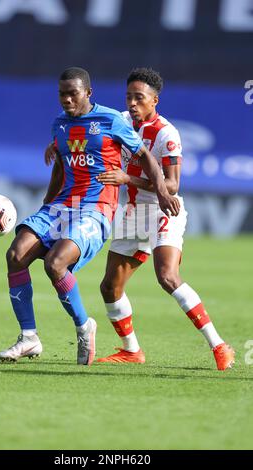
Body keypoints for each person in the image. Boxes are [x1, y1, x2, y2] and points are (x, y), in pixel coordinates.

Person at [0, 67, 180, 365]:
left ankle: (84, 327)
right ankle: (29, 337)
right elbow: (61, 164)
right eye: (62, 94)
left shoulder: (111, 120)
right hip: (61, 205)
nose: (67, 99)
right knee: (15, 254)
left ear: (88, 93)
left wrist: (162, 191)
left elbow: (144, 155)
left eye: (73, 93)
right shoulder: (59, 124)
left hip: (95, 209)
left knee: (56, 264)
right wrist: (46, 204)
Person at [97, 68, 235, 370]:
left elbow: (172, 185)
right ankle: (131, 350)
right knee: (109, 287)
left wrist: (127, 178)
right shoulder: (119, 121)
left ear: (154, 100)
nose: (132, 103)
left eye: (139, 98)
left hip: (162, 210)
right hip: (131, 213)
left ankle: (219, 345)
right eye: (129, 96)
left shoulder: (166, 133)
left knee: (167, 276)